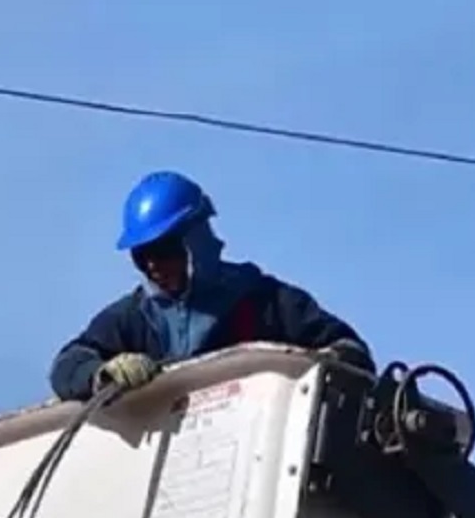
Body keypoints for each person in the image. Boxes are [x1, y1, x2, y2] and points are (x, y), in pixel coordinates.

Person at [49, 170, 371, 402]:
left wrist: (323, 365)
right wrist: (101, 374)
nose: (153, 267)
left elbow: (349, 350)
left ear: (196, 241)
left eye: (163, 251)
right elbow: (69, 363)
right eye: (142, 256)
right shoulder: (132, 317)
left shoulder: (262, 300)